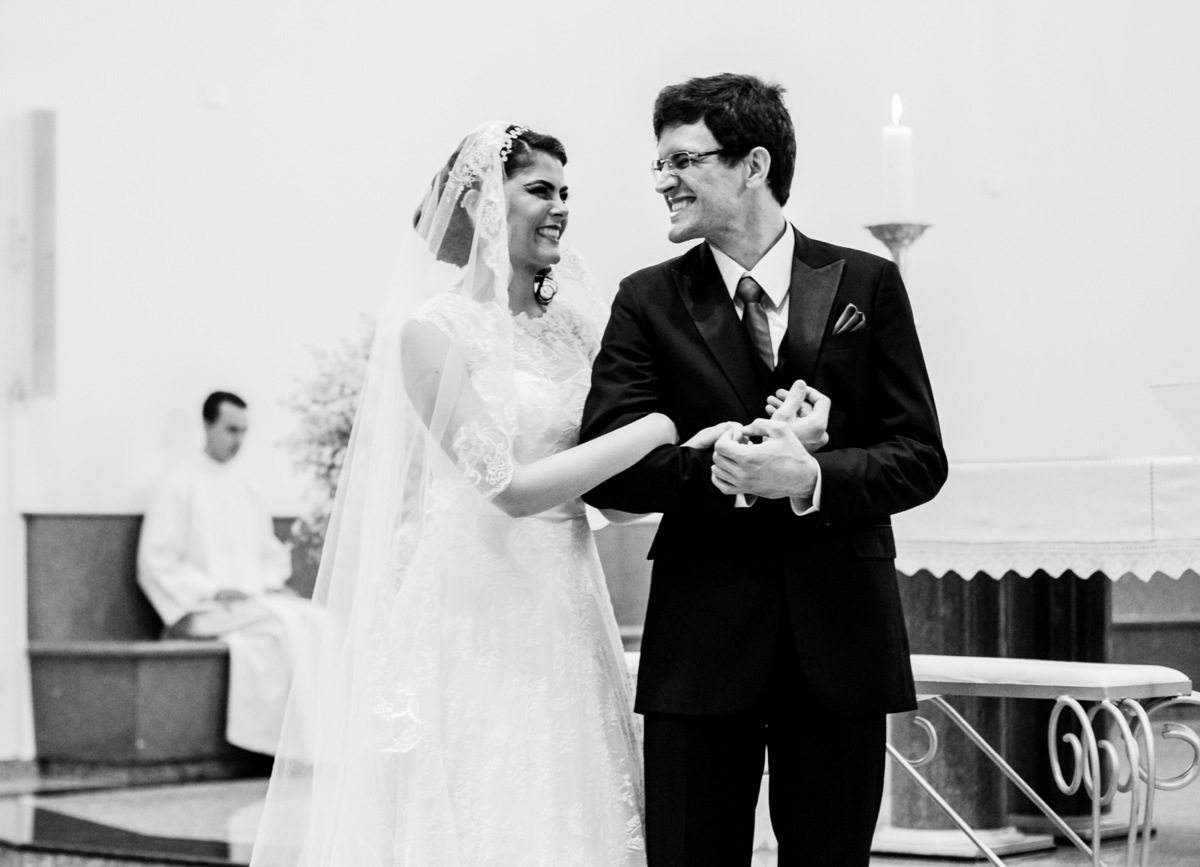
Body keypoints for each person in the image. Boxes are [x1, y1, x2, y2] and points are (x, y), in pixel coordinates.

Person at [251, 123, 694, 867]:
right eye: (541, 190)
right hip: (478, 600)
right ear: (486, 202)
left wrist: (694, 459)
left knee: (577, 798)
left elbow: (613, 496)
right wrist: (660, 425)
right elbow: (509, 491)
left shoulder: (579, 331)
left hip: (569, 596)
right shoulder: (433, 333)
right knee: (490, 800)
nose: (561, 207)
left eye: (566, 192)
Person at [580, 73, 948, 867]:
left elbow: (920, 456)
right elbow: (609, 468)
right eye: (660, 163)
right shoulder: (646, 300)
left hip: (842, 636)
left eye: (683, 160)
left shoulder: (866, 283)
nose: (663, 180)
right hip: (702, 641)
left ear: (753, 164)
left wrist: (809, 478)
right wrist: (725, 469)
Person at [138, 390, 309, 756]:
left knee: (315, 620)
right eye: (231, 429)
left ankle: (305, 743)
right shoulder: (177, 485)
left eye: (244, 431)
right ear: (207, 425)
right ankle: (279, 745)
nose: (238, 440)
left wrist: (267, 586)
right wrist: (213, 590)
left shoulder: (249, 488)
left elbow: (270, 555)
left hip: (249, 604)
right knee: (292, 623)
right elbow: (156, 561)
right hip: (202, 609)